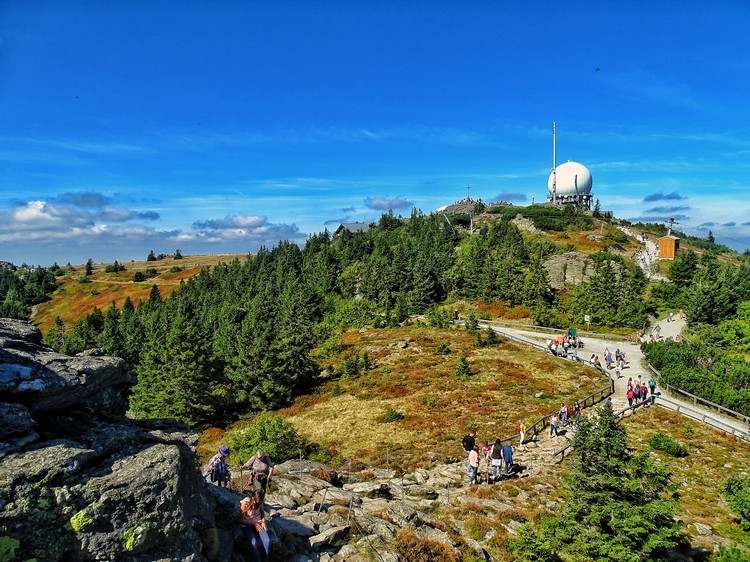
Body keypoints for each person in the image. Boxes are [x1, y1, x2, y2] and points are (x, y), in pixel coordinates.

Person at [239, 488, 269, 562]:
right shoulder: (246, 503)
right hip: (246, 525)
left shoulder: (259, 502)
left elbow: (261, 511)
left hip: (258, 524)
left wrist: (263, 521)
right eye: (256, 502)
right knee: (254, 542)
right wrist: (254, 524)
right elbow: (240, 520)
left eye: (260, 502)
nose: (257, 504)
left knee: (266, 540)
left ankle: (265, 560)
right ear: (253, 497)